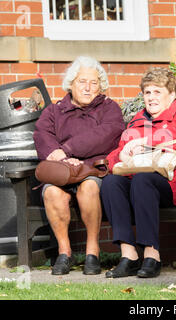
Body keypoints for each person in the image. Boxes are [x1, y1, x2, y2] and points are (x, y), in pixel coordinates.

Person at [100, 67, 176, 278]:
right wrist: (116, 160)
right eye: (147, 92)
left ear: (171, 95)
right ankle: (129, 255)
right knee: (111, 183)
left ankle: (151, 254)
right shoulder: (138, 119)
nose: (151, 98)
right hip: (141, 181)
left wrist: (146, 142)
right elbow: (120, 150)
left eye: (157, 92)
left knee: (142, 180)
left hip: (174, 183)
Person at [33, 56, 125, 275]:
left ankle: (92, 250)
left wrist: (68, 150)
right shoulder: (54, 111)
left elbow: (105, 135)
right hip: (61, 173)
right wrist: (63, 159)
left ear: (100, 86)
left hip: (92, 170)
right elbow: (42, 135)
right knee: (52, 193)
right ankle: (65, 253)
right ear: (71, 84)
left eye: (94, 83)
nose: (87, 87)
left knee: (89, 188)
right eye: (82, 81)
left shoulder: (109, 108)